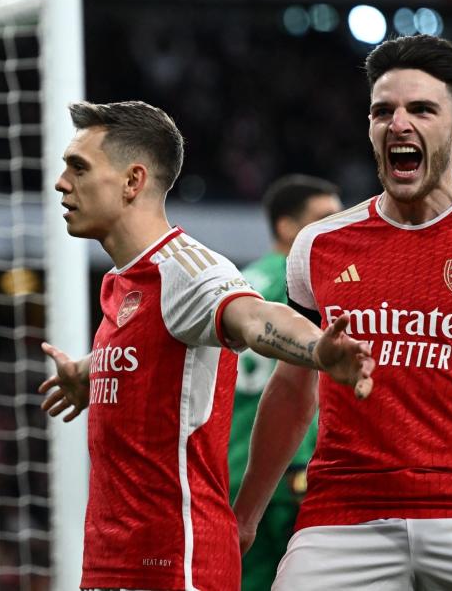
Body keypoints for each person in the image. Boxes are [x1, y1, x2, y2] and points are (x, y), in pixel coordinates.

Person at [234, 34, 452, 590]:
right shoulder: (318, 246)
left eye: (421, 109)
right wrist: (244, 516)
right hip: (342, 520)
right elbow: (292, 392)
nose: (398, 123)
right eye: (382, 111)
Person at [37, 100, 374, 591]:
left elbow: (255, 316)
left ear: (133, 182)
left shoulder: (189, 269)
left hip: (177, 565)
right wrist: (93, 369)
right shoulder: (122, 281)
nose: (61, 183)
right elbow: (156, 349)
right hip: (113, 562)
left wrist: (318, 349)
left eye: (79, 168)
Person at [228, 174, 343, 591]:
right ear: (286, 227)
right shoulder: (305, 287)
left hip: (232, 469)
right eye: (324, 219)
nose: (336, 228)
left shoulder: (238, 284)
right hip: (289, 471)